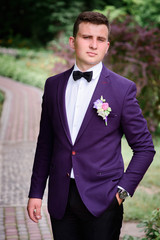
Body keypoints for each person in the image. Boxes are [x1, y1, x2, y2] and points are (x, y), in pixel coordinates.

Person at [27, 11, 155, 240]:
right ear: (73, 42)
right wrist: (36, 192)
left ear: (107, 46)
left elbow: (145, 147)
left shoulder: (122, 89)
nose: (93, 45)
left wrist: (121, 191)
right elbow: (45, 142)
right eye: (87, 37)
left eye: (100, 39)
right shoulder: (53, 85)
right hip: (61, 198)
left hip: (103, 200)